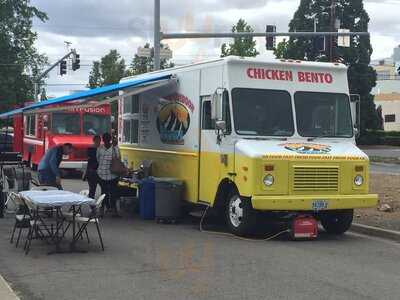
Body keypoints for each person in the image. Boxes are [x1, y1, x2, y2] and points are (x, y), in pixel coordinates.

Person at [96, 133, 120, 217]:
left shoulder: (100, 148)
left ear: (103, 139)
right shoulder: (114, 148)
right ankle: (113, 211)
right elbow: (118, 158)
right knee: (113, 193)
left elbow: (98, 159)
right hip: (112, 175)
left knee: (104, 193)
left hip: (102, 174)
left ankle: (103, 210)